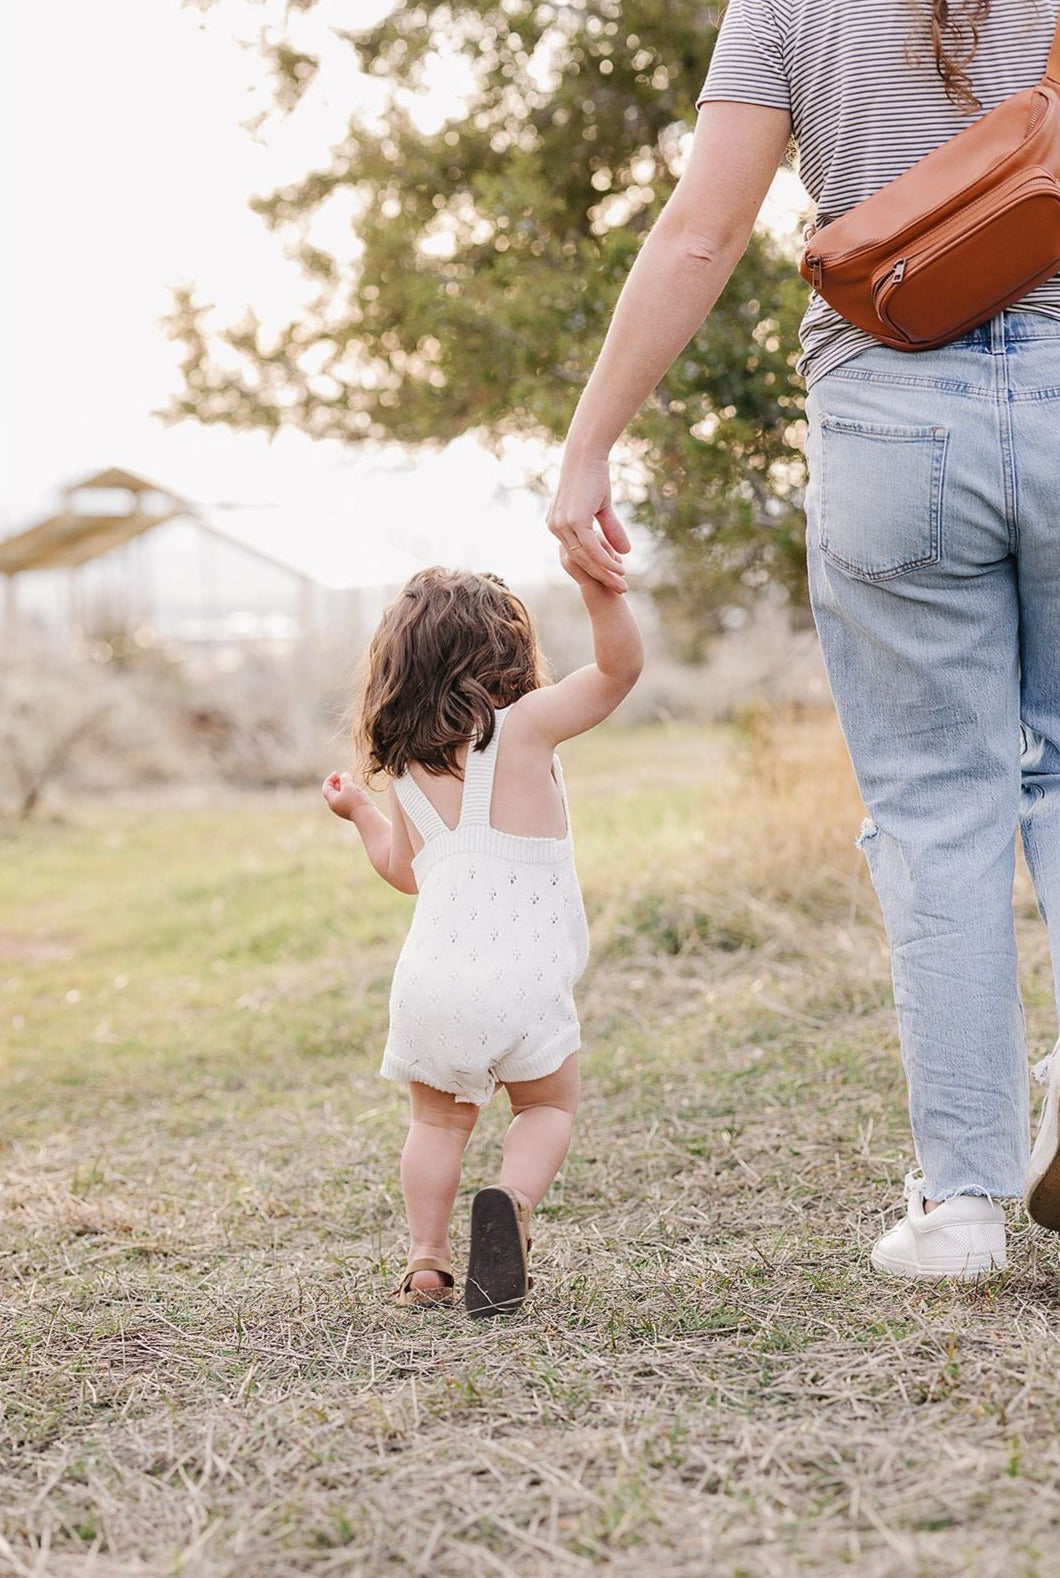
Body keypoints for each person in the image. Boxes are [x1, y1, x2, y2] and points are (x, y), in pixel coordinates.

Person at [546, 0, 1060, 1280]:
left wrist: (588, 446)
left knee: (939, 807)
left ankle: (960, 1209)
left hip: (887, 417)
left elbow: (702, 232)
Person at [322, 564, 642, 1315]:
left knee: (435, 1122)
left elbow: (405, 872)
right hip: (523, 978)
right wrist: (600, 587)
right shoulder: (525, 726)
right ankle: (511, 1201)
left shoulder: (403, 770)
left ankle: (425, 1262)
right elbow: (619, 669)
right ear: (508, 651)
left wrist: (361, 817)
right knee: (545, 1110)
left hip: (429, 981)